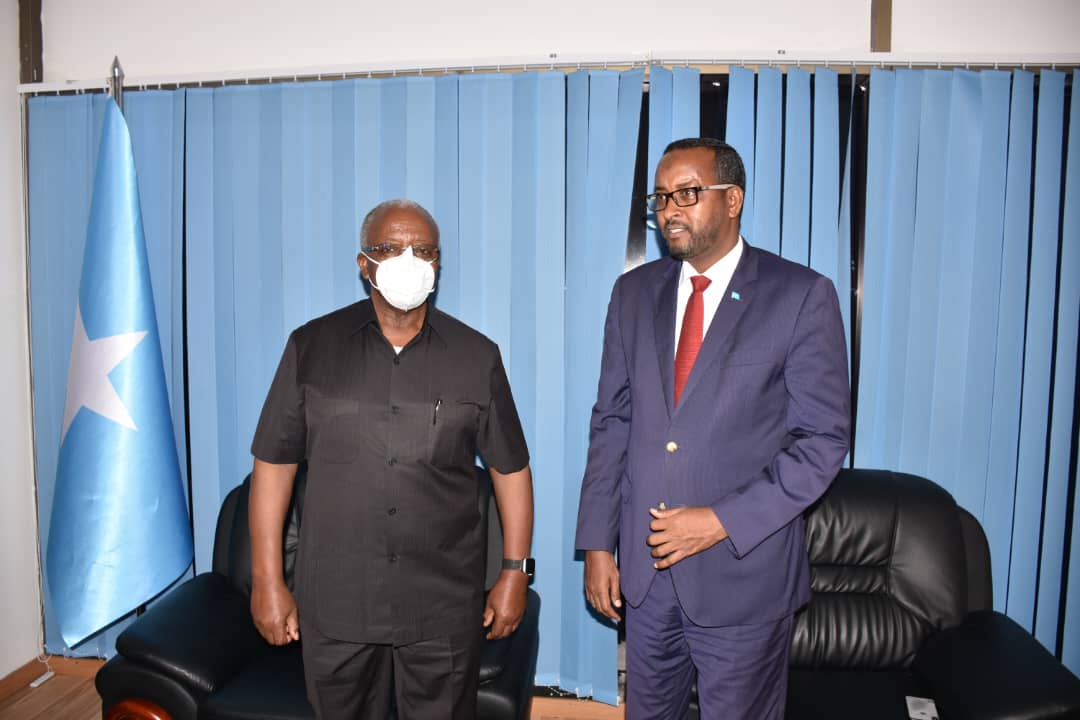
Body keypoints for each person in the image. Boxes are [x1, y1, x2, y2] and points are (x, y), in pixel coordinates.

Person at [575, 138, 850, 719]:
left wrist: (721, 520)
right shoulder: (633, 294)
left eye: (687, 193)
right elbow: (612, 422)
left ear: (733, 200)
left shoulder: (800, 295)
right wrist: (598, 542)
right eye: (661, 197)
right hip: (647, 580)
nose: (669, 210)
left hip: (744, 579)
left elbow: (822, 441)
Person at [249, 199, 535, 720]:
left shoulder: (476, 356)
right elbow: (273, 464)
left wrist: (515, 572)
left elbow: (510, 469)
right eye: (390, 247)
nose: (409, 260)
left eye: (423, 250)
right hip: (338, 604)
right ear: (364, 264)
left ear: (438, 263)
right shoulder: (311, 347)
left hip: (442, 606)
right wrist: (268, 580)